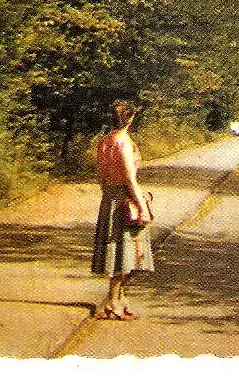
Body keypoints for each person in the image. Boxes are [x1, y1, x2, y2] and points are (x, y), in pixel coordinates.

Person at [91, 100, 154, 321]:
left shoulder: (103, 142)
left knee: (118, 253)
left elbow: (100, 176)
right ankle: (113, 303)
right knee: (124, 254)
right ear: (131, 119)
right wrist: (142, 206)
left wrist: (109, 194)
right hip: (124, 201)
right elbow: (129, 178)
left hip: (108, 199)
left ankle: (119, 300)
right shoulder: (123, 143)